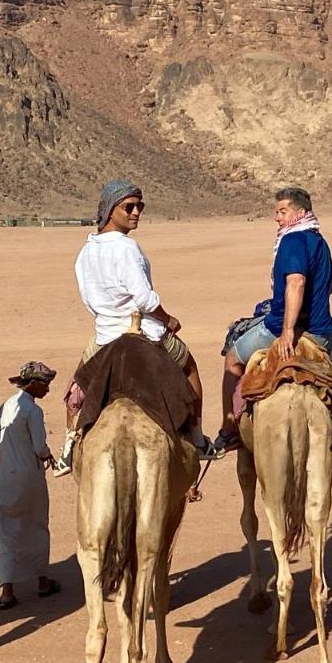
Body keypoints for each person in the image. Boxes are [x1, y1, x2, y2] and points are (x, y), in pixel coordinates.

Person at [54, 179, 209, 475]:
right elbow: (144, 298)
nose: (136, 212)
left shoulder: (86, 252)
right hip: (143, 330)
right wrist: (168, 319)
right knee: (190, 368)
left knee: (77, 387)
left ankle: (69, 447)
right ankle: (198, 438)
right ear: (111, 209)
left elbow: (88, 298)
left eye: (140, 206)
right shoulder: (127, 248)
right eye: (129, 207)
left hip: (105, 336)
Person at [211, 186, 332, 454]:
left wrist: (287, 331)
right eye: (277, 212)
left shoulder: (292, 241)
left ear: (301, 212)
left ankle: (228, 431)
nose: (277, 218)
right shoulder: (320, 242)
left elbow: (296, 283)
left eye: (282, 212)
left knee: (233, 358)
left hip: (277, 328)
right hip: (319, 333)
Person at [0, 361, 60, 611]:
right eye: (46, 385)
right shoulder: (33, 411)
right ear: (34, 384)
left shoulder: (7, 405)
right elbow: (39, 447)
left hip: (7, 477)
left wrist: (12, 448)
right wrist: (48, 455)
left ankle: (7, 592)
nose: (48, 390)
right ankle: (42, 582)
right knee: (37, 526)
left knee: (5, 531)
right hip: (30, 476)